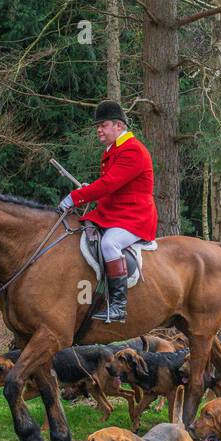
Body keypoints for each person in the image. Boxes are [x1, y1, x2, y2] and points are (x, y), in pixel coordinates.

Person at [59, 100, 157, 323]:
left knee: (109, 244)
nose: (99, 130)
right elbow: (111, 185)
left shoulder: (132, 150)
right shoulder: (114, 149)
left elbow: (108, 185)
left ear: (119, 126)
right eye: (98, 126)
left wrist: (74, 198)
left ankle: (119, 306)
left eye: (103, 125)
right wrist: (89, 190)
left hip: (134, 217)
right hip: (114, 213)